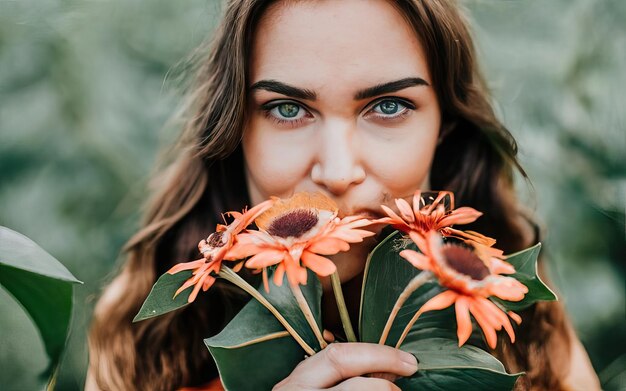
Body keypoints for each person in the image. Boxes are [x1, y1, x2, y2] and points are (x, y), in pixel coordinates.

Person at [87, 0, 601, 390]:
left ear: (445, 128)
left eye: (390, 106)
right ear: (233, 130)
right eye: (288, 109)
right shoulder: (142, 336)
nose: (336, 172)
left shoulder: (527, 324)